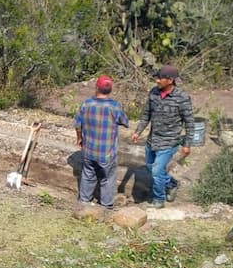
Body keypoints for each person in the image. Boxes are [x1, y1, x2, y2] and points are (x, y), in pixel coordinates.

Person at [131, 64, 194, 208]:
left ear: (170, 80)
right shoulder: (153, 93)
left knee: (156, 171)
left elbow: (190, 123)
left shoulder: (182, 98)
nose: (157, 81)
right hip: (152, 141)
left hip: (169, 142)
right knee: (150, 167)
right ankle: (172, 183)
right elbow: (146, 115)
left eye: (161, 78)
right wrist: (138, 131)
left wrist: (187, 145)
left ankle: (158, 200)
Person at [74, 75, 130, 210]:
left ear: (97, 87)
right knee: (108, 178)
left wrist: (79, 138)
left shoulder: (86, 104)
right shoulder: (115, 107)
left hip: (89, 150)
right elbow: (126, 122)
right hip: (107, 152)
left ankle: (84, 202)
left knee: (88, 175)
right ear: (110, 90)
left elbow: (77, 125)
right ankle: (106, 206)